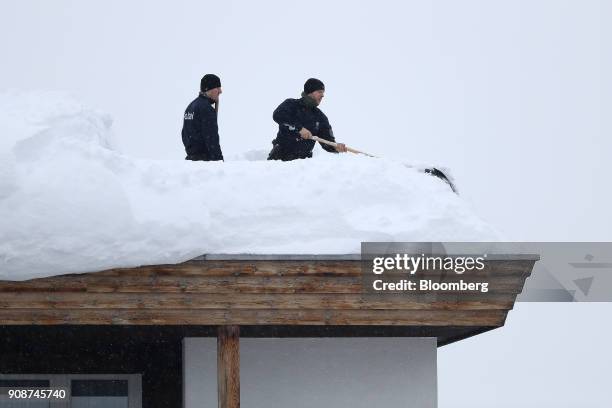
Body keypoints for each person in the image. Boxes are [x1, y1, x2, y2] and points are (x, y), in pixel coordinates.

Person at [268, 78, 347, 161]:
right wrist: (299, 129)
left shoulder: (320, 117)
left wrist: (335, 147)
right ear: (310, 92)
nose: (322, 95)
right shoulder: (291, 104)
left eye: (323, 92)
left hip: (302, 166)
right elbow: (278, 115)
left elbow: (327, 141)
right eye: (320, 92)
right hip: (279, 161)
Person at [181, 74, 224, 161]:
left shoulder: (191, 106)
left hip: (191, 160)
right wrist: (219, 160)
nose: (220, 91)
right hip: (204, 162)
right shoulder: (206, 109)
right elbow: (211, 138)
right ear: (209, 89)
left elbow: (184, 134)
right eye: (217, 88)